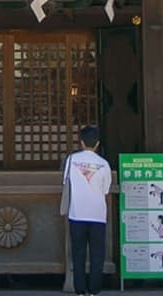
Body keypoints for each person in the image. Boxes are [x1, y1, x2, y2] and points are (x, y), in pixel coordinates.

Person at [63, 125, 111, 296]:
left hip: (77, 213)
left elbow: (66, 182)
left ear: (81, 142)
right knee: (97, 255)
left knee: (78, 253)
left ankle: (80, 290)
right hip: (98, 214)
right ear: (97, 143)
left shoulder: (71, 160)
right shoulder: (104, 164)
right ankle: (94, 290)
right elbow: (106, 190)